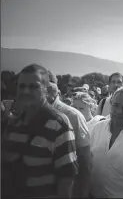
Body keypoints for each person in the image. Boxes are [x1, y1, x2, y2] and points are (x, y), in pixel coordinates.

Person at [2, 64, 78, 198]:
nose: (26, 91)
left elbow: (66, 178)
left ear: (46, 90)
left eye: (33, 86)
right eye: (22, 86)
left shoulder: (58, 124)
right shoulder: (13, 123)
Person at [46, 71, 91, 198]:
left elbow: (85, 160)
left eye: (49, 83)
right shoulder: (29, 114)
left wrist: (83, 194)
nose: (45, 87)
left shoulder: (73, 116)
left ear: (57, 88)